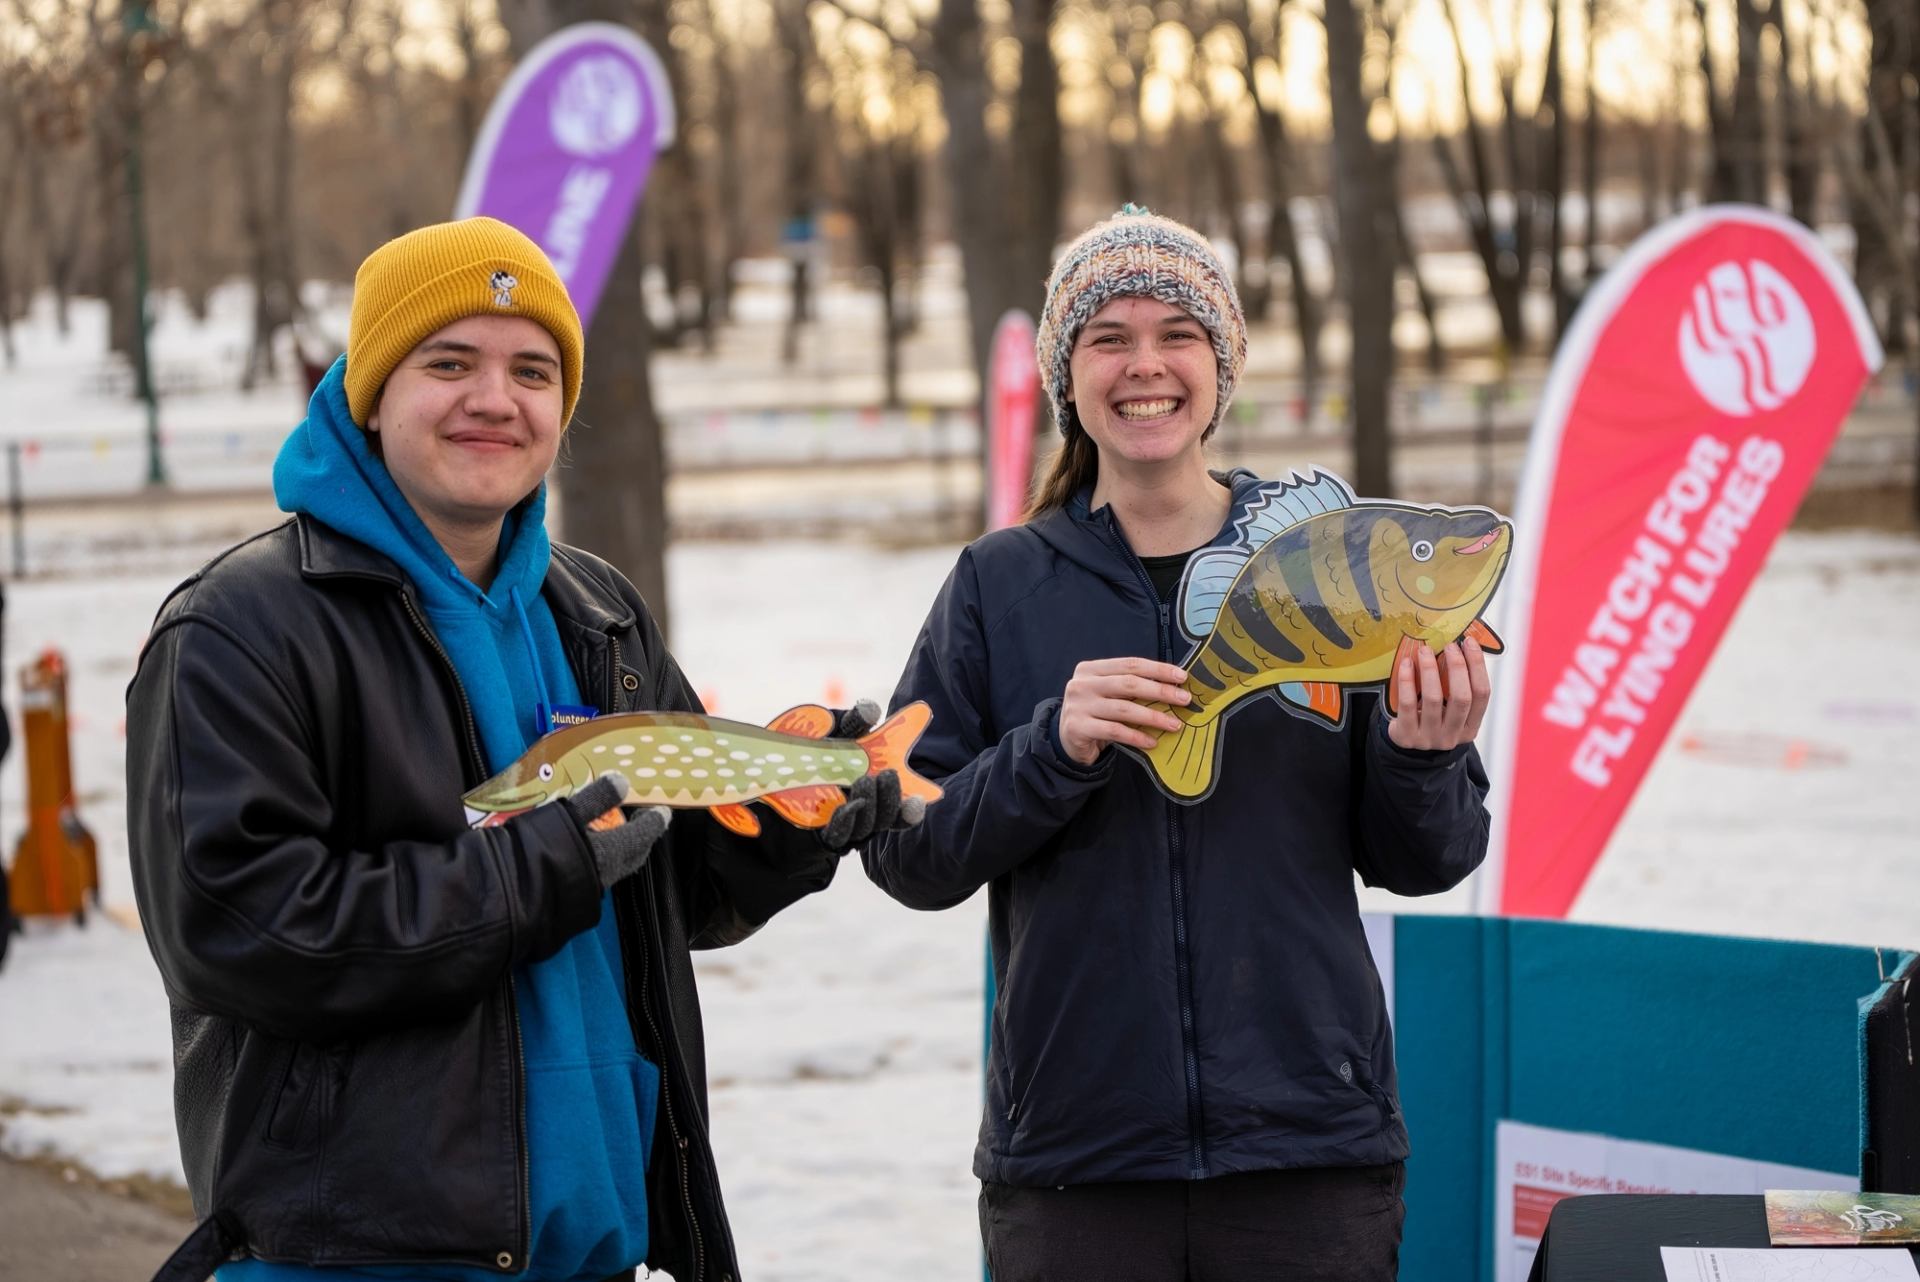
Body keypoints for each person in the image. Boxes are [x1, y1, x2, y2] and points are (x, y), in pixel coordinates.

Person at [126, 217, 913, 1282]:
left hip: (594, 1254)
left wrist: (780, 833)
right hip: (350, 1262)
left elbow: (665, 888)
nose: (494, 400)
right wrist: (542, 864)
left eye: (532, 370)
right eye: (449, 362)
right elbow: (240, 933)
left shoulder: (597, 612)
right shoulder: (241, 627)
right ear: (371, 387)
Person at [862, 209, 1493, 1281]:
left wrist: (1424, 755)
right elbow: (904, 844)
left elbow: (1427, 857)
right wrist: (1047, 751)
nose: (1143, 364)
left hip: (1309, 1155)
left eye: (1178, 333)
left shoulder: (1322, 563)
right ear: (1069, 375)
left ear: (1222, 365)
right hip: (1075, 1165)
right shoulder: (998, 584)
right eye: (1108, 337)